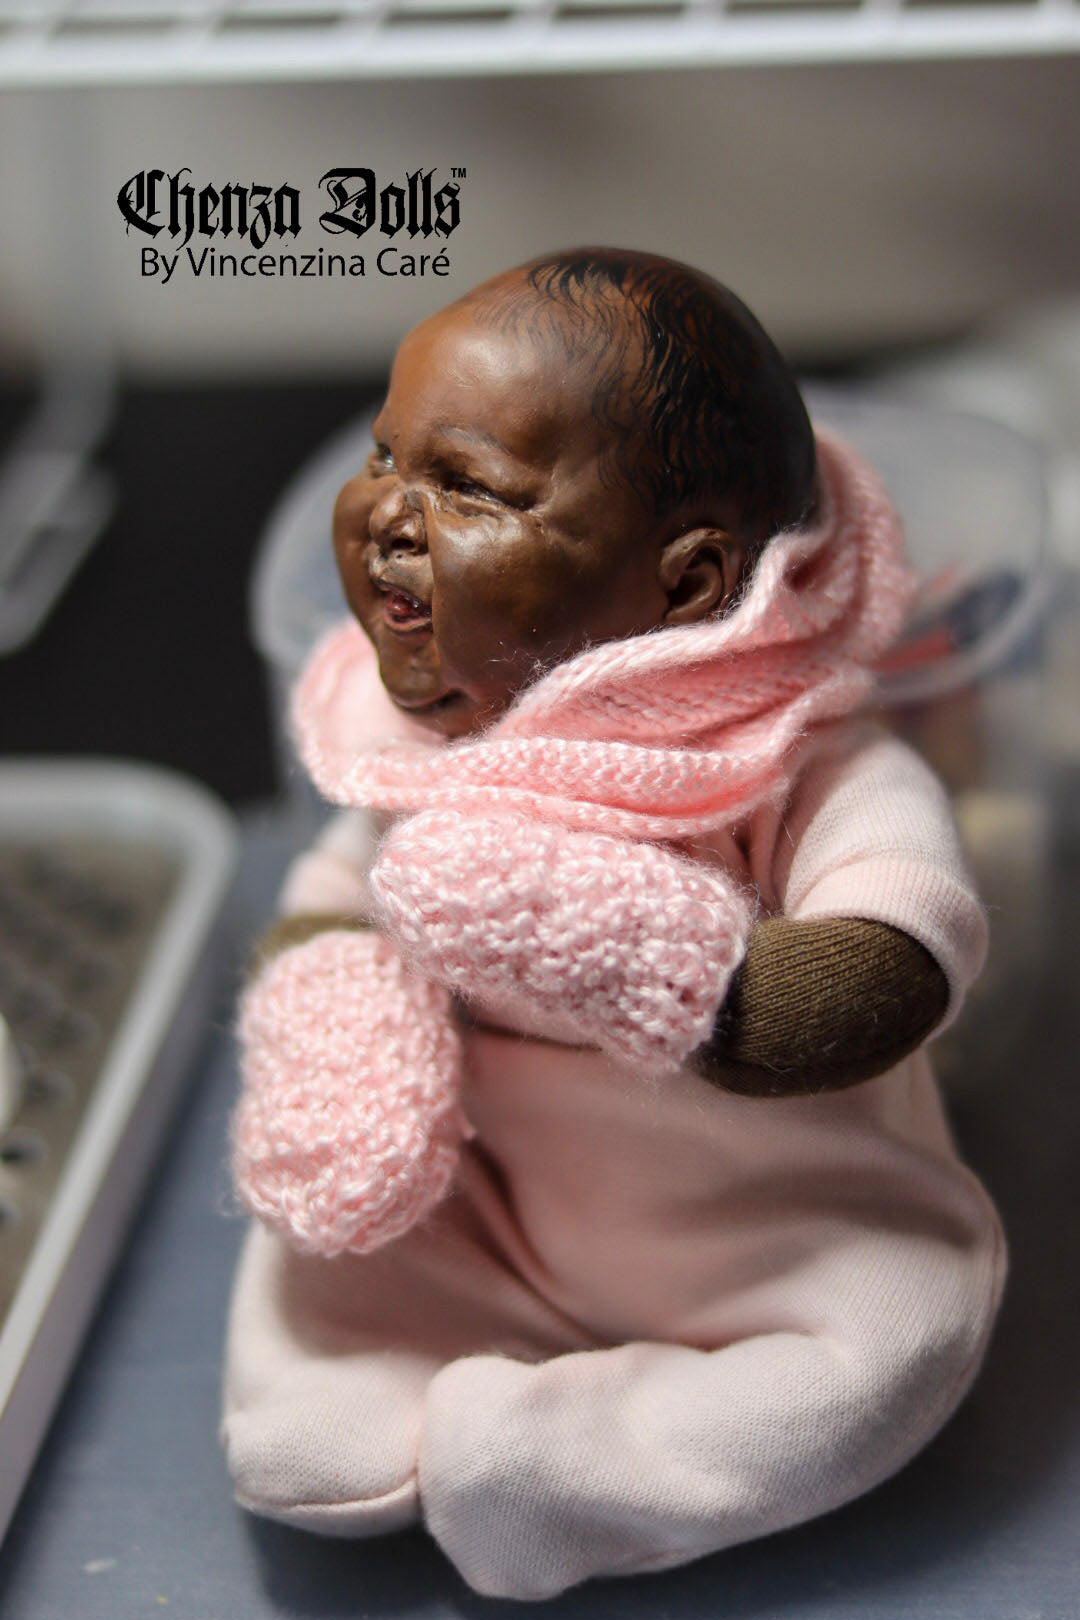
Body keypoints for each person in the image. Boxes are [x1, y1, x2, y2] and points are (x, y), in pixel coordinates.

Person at [223, 250, 1005, 1601]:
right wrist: (340, 1018)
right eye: (386, 455)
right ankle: (363, 1396)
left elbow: (898, 959)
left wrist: (665, 960)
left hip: (768, 1221)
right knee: (322, 1255)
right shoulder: (425, 727)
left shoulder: (794, 760)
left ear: (687, 583)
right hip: (487, 1192)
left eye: (468, 487)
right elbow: (343, 892)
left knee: (901, 1332)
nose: (390, 515)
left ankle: (561, 1465)